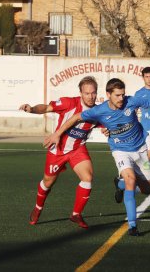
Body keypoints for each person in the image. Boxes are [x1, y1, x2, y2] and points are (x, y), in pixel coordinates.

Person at [43, 78, 150, 236]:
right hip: (120, 150)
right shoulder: (99, 110)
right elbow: (77, 117)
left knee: (147, 188)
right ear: (108, 95)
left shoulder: (131, 101)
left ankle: (119, 185)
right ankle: (132, 226)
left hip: (140, 150)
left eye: (123, 95)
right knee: (131, 180)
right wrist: (57, 134)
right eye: (117, 95)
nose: (121, 99)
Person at [19, 76, 100, 229]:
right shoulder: (68, 103)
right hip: (59, 150)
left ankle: (76, 214)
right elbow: (46, 108)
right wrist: (32, 109)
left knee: (87, 178)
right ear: (80, 93)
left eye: (93, 93)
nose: (91, 96)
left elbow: (106, 124)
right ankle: (38, 208)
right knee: (48, 182)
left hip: (78, 149)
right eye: (87, 93)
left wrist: (108, 130)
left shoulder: (98, 111)